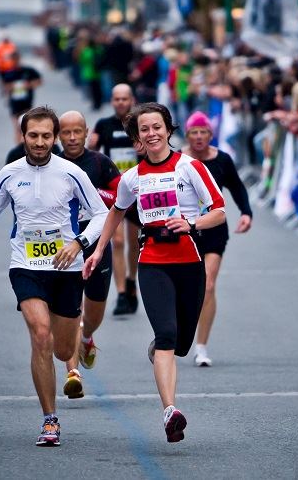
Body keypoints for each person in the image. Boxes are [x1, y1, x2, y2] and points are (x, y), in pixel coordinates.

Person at [0, 106, 108, 447]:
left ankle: (76, 346)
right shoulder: (9, 173)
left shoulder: (71, 173)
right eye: (34, 135)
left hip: (66, 268)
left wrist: (78, 243)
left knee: (61, 350)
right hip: (26, 266)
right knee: (40, 335)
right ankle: (49, 420)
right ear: (23, 136)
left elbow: (102, 215)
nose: (40, 142)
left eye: (47, 136)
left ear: (55, 137)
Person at [83, 103, 226, 443]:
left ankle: (164, 347)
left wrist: (191, 224)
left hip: (190, 262)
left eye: (157, 127)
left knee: (180, 343)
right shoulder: (132, 177)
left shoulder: (190, 167)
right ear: (138, 139)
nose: (152, 133)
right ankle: (169, 412)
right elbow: (115, 212)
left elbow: (219, 211)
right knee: (166, 336)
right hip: (152, 262)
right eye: (144, 129)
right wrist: (100, 249)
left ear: (168, 130)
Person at [56, 110, 122, 398]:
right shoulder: (50, 164)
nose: (71, 138)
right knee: (70, 308)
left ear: (86, 133)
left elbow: (123, 198)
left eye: (77, 132)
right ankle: (73, 373)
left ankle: (86, 336)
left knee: (93, 313)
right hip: (63, 248)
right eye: (66, 132)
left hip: (96, 245)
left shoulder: (100, 162)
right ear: (59, 135)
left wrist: (93, 194)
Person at [181, 112, 252, 367]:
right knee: (185, 287)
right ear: (187, 135)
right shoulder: (178, 160)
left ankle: (201, 347)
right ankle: (174, 334)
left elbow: (237, 186)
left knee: (208, 285)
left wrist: (246, 212)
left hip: (213, 229)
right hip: (184, 230)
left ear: (211, 135)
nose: (199, 137)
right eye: (194, 132)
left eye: (203, 132)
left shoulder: (221, 159)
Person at [90, 84, 140, 315]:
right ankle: (121, 293)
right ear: (112, 101)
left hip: (138, 190)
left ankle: (131, 281)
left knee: (135, 242)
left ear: (132, 100)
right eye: (116, 99)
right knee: (117, 242)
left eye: (124, 99)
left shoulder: (140, 123)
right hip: (115, 191)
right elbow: (92, 152)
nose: (120, 103)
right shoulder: (104, 125)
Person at [1, 50, 42, 143]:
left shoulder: (28, 71)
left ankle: (26, 146)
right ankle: (19, 149)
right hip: (15, 103)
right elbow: (5, 87)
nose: (15, 61)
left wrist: (29, 85)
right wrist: (12, 87)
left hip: (27, 103)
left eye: (17, 59)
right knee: (17, 127)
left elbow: (39, 81)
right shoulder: (9, 73)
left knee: (27, 127)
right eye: (13, 59)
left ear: (19, 59)